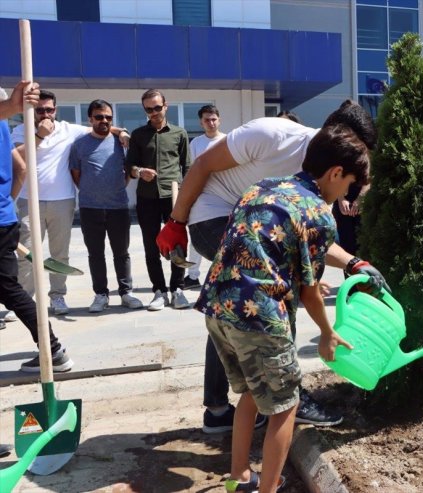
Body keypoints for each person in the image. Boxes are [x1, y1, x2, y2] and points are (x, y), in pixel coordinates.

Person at [156, 100, 387, 432]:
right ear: (339, 140)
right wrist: (176, 221)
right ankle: (284, 390)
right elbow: (204, 163)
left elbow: (313, 234)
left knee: (233, 304)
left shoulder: (325, 179)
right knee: (268, 290)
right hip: (214, 215)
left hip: (252, 222)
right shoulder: (273, 135)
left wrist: (354, 262)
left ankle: (221, 409)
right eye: (355, 160)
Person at [195, 123, 369, 492]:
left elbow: (263, 247)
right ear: (336, 173)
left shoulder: (264, 185)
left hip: (218, 306)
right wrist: (327, 332)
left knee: (251, 395)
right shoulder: (319, 213)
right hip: (257, 315)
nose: (345, 193)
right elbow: (310, 296)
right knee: (285, 407)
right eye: (349, 184)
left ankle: (239, 476)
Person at [11, 90, 130, 315]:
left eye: (49, 109)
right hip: (29, 200)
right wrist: (38, 136)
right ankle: (25, 302)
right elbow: (17, 158)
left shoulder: (68, 129)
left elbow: (100, 127)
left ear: (55, 110)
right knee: (26, 253)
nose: (45, 114)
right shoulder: (20, 130)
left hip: (62, 200)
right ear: (32, 112)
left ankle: (58, 297)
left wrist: (122, 132)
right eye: (40, 110)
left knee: (60, 254)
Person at [0, 81, 73, 373]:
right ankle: (52, 349)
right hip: (5, 219)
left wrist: (15, 107)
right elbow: (21, 169)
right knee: (9, 288)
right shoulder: (5, 127)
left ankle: (53, 348)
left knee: (8, 289)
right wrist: (6, 204)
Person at [69, 100, 143, 312]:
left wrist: (117, 187)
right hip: (90, 208)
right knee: (95, 253)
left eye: (108, 117)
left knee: (122, 252)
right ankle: (101, 294)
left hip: (118, 207)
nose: (104, 121)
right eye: (99, 117)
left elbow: (128, 171)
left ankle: (126, 292)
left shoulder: (122, 143)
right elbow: (76, 174)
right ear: (90, 119)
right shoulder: (80, 144)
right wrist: (92, 191)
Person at [126, 89, 191, 311]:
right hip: (147, 197)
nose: (153, 112)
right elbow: (130, 166)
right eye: (148, 109)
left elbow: (188, 167)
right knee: (151, 245)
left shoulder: (179, 133)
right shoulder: (138, 135)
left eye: (157, 107)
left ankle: (178, 289)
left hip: (174, 197)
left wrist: (187, 196)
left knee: (177, 244)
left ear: (165, 106)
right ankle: (159, 291)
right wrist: (139, 171)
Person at [182, 104, 226, 291]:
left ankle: (224, 275)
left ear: (219, 120)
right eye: (207, 120)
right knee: (197, 237)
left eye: (214, 119)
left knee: (227, 238)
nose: (211, 122)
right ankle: (192, 276)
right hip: (203, 197)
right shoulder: (196, 144)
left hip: (227, 197)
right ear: (201, 122)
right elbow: (192, 171)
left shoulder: (228, 140)